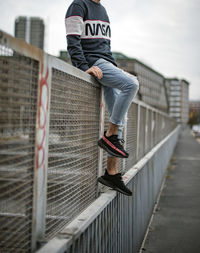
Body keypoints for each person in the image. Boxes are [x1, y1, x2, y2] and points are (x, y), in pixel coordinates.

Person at [65, 0, 139, 196]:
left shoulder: (103, 10)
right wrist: (83, 66)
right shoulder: (78, 5)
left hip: (107, 63)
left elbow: (104, 46)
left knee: (121, 117)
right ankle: (110, 136)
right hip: (93, 63)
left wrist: (114, 68)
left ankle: (111, 173)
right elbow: (72, 40)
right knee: (132, 84)